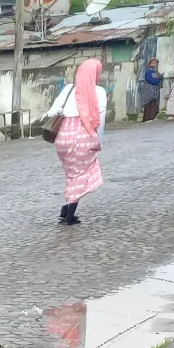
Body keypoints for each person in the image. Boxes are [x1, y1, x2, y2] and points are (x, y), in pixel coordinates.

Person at [47, 58, 107, 225]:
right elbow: (100, 119)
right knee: (81, 174)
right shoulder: (99, 91)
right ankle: (69, 215)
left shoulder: (68, 89)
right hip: (84, 135)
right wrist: (99, 140)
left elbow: (53, 111)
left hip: (63, 136)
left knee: (72, 174)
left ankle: (66, 208)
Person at [139, 57, 163, 121]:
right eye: (153, 63)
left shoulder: (155, 71)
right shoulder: (148, 71)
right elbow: (150, 80)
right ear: (149, 64)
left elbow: (159, 79)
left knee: (155, 104)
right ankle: (148, 118)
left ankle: (152, 118)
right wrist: (158, 81)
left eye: (155, 63)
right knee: (149, 104)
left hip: (155, 91)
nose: (154, 64)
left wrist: (160, 78)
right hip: (149, 91)